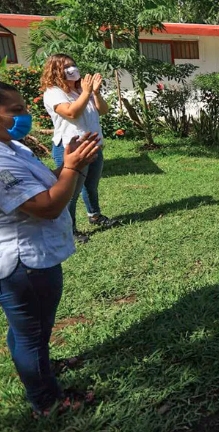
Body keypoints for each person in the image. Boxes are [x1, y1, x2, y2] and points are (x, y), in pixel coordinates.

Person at [0, 81, 99, 415]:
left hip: (31, 256)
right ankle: (47, 401)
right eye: (15, 110)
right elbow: (46, 206)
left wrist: (73, 163)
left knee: (28, 329)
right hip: (23, 263)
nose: (25, 116)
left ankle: (38, 373)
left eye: (23, 108)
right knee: (32, 333)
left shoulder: (14, 148)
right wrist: (71, 168)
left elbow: (50, 183)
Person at [41, 53, 119, 244]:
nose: (73, 69)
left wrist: (96, 93)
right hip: (71, 149)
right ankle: (69, 229)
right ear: (56, 70)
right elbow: (72, 112)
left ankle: (95, 215)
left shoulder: (79, 91)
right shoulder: (53, 93)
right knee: (70, 193)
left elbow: (102, 110)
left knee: (91, 186)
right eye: (66, 66)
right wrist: (86, 92)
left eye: (73, 65)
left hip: (93, 146)